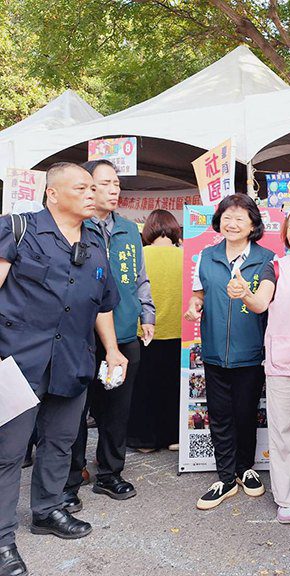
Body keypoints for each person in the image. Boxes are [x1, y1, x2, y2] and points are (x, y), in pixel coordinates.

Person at [0, 163, 127, 576]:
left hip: (72, 361)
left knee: (60, 442)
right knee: (8, 454)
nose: (93, 193)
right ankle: (2, 540)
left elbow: (102, 303)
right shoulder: (17, 229)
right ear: (52, 194)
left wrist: (112, 349)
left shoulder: (95, 241)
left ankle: (48, 510)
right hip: (17, 362)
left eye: (96, 187)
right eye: (82, 187)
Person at [228, 205, 290, 524]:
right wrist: (245, 293)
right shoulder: (275, 267)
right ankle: (285, 495)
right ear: (284, 233)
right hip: (283, 358)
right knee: (283, 430)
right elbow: (260, 303)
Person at [64, 159, 155, 511]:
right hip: (82, 337)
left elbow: (139, 277)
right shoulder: (76, 228)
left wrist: (146, 313)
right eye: (105, 183)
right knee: (76, 409)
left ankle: (109, 473)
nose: (114, 189)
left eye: (116, 183)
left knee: (117, 408)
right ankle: (71, 478)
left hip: (125, 332)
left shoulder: (131, 230)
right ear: (88, 187)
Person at [184, 193, 273, 510]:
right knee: (219, 416)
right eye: (227, 216)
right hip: (213, 352)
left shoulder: (265, 258)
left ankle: (245, 469)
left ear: (253, 224)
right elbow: (199, 295)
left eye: (240, 217)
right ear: (218, 221)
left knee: (246, 413)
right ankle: (224, 477)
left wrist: (245, 293)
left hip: (250, 352)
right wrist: (195, 307)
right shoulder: (206, 256)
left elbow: (263, 302)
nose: (232, 223)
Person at [127, 209, 183, 452]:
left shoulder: (138, 257)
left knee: (143, 389)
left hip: (144, 333)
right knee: (173, 388)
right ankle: (173, 437)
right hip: (180, 332)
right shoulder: (186, 256)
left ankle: (144, 441)